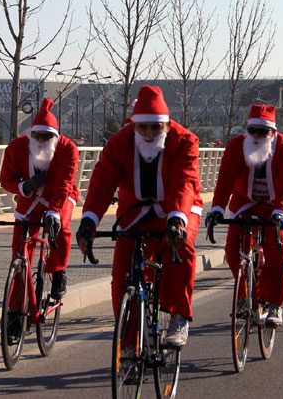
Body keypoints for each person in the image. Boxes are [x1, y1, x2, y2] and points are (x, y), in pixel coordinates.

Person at [76, 85, 201, 348]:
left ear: (166, 125)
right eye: (142, 127)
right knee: (122, 274)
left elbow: (184, 181)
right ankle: (130, 344)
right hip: (134, 214)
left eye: (156, 127)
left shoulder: (185, 141)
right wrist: (89, 220)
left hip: (177, 207)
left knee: (180, 247)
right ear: (134, 126)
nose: (148, 133)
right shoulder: (119, 143)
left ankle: (178, 315)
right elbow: (102, 182)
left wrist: (177, 217)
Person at [205, 104, 283, 328]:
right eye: (252, 130)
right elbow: (225, 178)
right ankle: (244, 295)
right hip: (245, 201)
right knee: (233, 247)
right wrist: (217, 208)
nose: (256, 136)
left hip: (280, 203)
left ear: (273, 133)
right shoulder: (237, 145)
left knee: (278, 245)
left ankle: (276, 303)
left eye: (262, 132)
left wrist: (279, 211)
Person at [0, 98, 79, 340]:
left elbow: (66, 183)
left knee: (60, 226)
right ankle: (14, 314)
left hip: (60, 195)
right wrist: (24, 186)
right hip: (30, 198)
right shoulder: (16, 148)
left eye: (47, 136)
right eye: (37, 136)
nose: (42, 141)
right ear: (30, 134)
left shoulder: (68, 149)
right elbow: (6, 180)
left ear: (55, 136)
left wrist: (54, 211)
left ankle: (58, 271)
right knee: (19, 255)